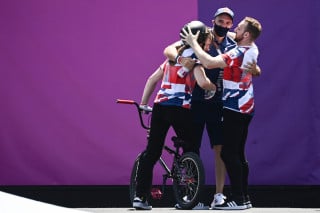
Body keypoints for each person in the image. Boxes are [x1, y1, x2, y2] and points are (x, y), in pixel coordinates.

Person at [164, 7, 261, 209]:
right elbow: (169, 50)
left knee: (222, 150)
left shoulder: (235, 41)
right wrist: (183, 59)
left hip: (221, 105)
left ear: (232, 26)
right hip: (196, 102)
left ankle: (219, 195)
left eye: (228, 23)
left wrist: (255, 68)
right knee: (192, 148)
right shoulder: (200, 34)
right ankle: (192, 198)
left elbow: (251, 62)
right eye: (221, 21)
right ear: (213, 20)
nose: (224, 25)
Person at [132, 21, 216, 210]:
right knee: (191, 148)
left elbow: (151, 79)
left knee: (152, 152)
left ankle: (140, 197)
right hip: (180, 110)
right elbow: (203, 84)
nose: (209, 46)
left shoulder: (171, 59)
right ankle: (189, 198)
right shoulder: (196, 62)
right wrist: (213, 86)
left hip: (160, 107)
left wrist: (144, 104)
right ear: (200, 40)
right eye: (208, 43)